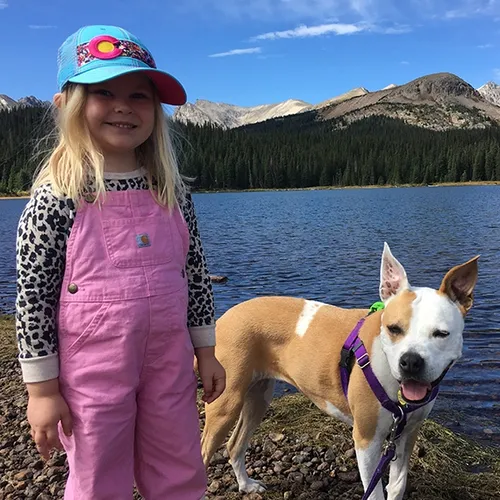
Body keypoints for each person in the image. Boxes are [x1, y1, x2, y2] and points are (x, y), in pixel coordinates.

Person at [15, 24, 226, 499]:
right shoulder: (56, 196)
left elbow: (194, 275)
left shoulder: (171, 191)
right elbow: (32, 299)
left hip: (170, 363)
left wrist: (207, 351)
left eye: (139, 94)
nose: (123, 106)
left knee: (180, 463)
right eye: (103, 92)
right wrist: (43, 392)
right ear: (67, 104)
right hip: (93, 371)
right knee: (97, 471)